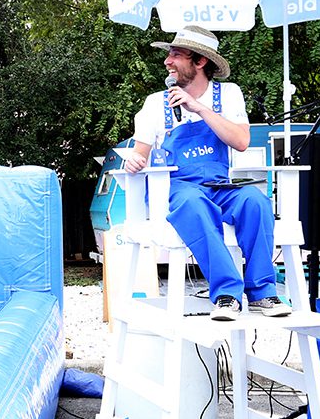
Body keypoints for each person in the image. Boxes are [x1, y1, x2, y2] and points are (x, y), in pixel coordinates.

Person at [123, 25, 291, 321]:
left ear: (200, 61)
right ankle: (227, 294)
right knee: (194, 205)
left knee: (255, 200)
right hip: (178, 190)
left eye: (175, 55)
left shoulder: (228, 94)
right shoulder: (154, 103)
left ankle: (263, 292)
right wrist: (134, 161)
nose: (167, 61)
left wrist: (199, 109)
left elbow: (241, 141)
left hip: (219, 186)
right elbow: (140, 152)